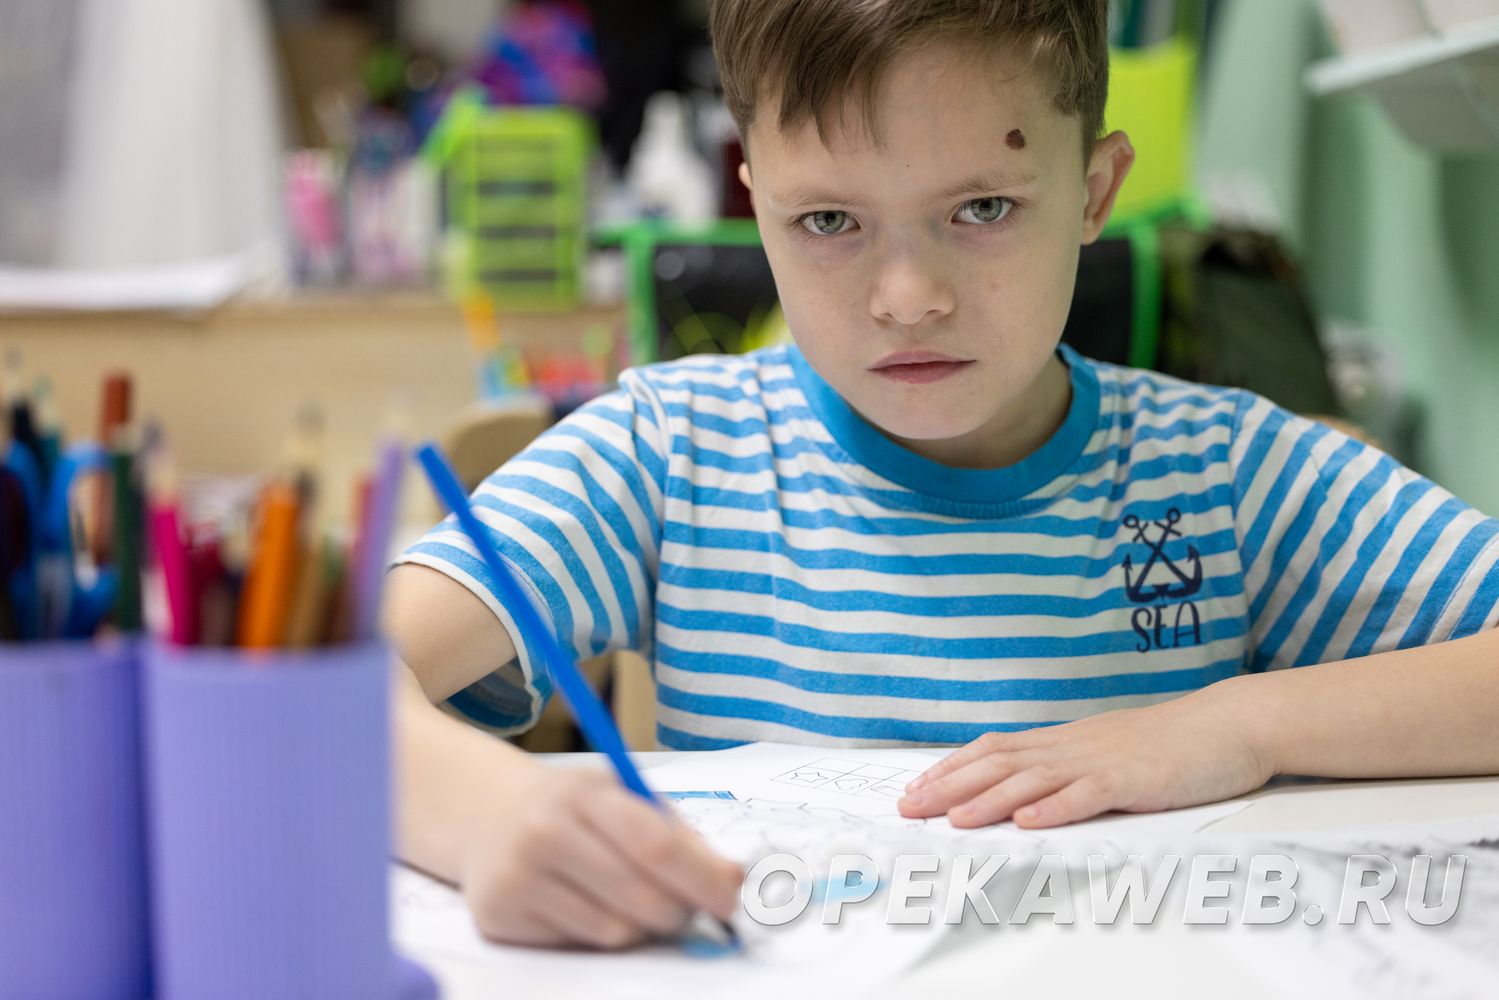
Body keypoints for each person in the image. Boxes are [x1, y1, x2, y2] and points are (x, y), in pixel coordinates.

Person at [387, 0, 1499, 950]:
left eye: (982, 209)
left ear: (1094, 191)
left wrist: (1235, 727)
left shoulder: (1222, 473)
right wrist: (480, 815)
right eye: (828, 219)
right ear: (755, 201)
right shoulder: (669, 455)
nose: (908, 298)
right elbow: (325, 676)